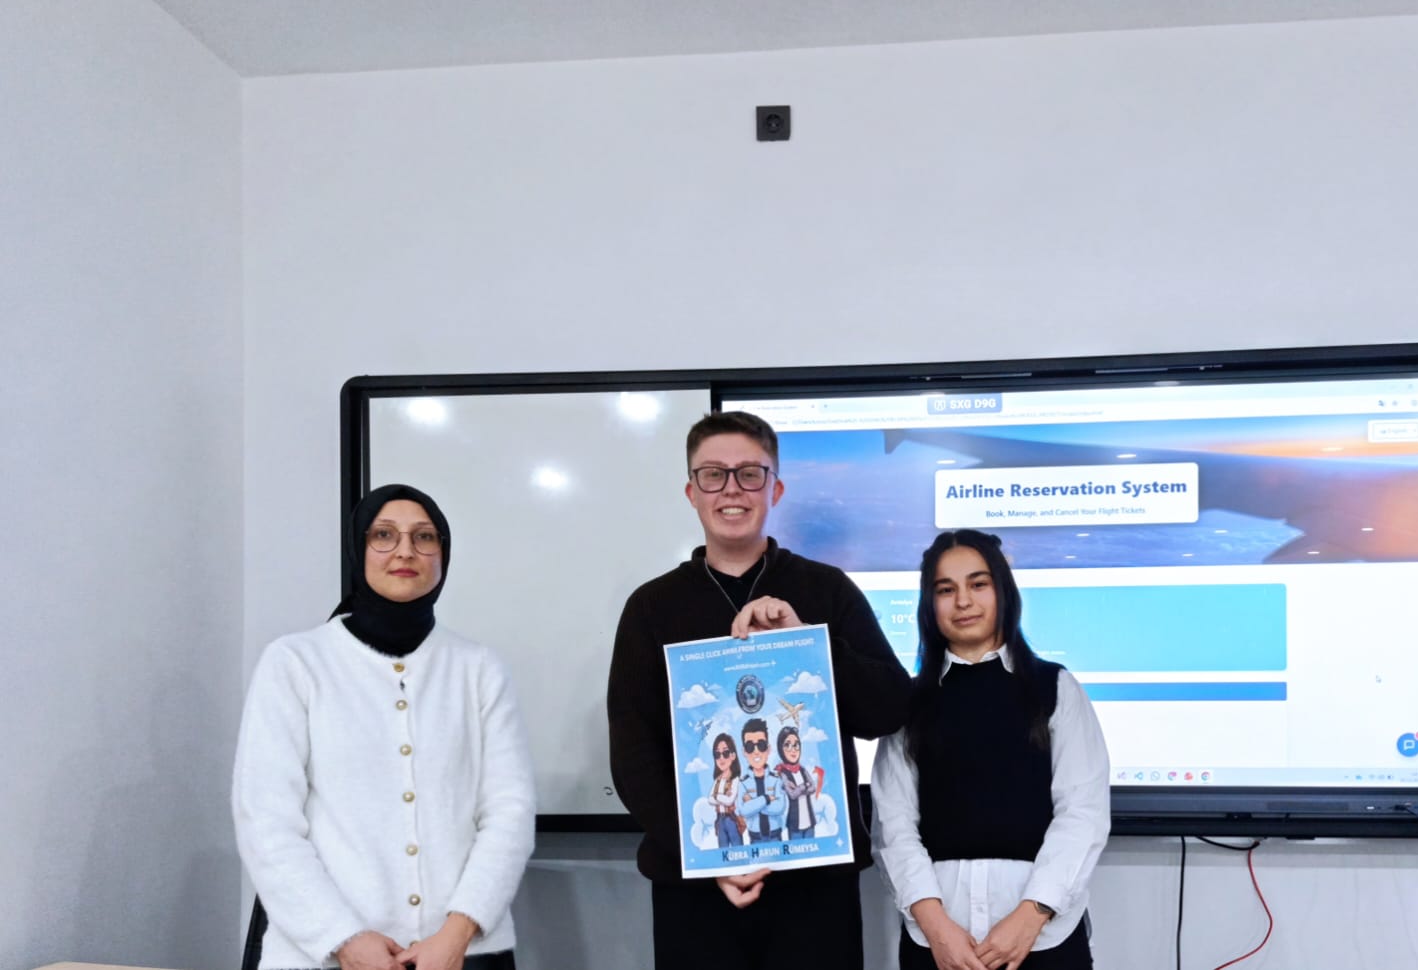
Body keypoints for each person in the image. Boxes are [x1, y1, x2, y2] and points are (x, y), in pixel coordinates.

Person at [607, 410, 912, 970]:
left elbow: (888, 708)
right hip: (696, 887)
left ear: (776, 488)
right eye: (713, 474)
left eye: (750, 474)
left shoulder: (826, 589)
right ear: (691, 491)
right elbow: (633, 755)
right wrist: (707, 856)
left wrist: (810, 642)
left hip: (814, 887)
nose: (732, 489)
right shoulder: (651, 607)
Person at [233, 484, 536, 970]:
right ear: (359, 548)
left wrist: (456, 934)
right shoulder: (294, 662)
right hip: (322, 955)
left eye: (424, 537)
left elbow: (509, 812)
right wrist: (345, 939)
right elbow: (267, 821)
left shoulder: (478, 667)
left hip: (461, 953)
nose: (405, 551)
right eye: (384, 535)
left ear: (443, 554)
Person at [873, 530, 1110, 970]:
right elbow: (893, 825)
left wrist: (1030, 916)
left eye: (978, 584)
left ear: (1003, 591)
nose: (963, 601)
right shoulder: (909, 701)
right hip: (938, 942)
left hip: (1043, 938)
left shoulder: (1056, 687)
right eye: (946, 589)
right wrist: (936, 927)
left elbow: (1083, 813)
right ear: (929, 604)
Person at [736, 717, 788, 843]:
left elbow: (780, 807)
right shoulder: (743, 783)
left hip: (775, 835)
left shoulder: (776, 779)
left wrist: (753, 804)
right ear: (744, 752)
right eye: (750, 746)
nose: (756, 752)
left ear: (768, 749)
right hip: (755, 837)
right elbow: (743, 810)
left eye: (761, 745)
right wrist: (766, 799)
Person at [773, 726, 821, 841]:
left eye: (796, 745)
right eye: (787, 745)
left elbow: (813, 787)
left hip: (809, 821)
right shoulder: (782, 772)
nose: (793, 749)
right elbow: (792, 794)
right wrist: (805, 786)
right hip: (794, 824)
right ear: (780, 748)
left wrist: (800, 788)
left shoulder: (802, 769)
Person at [709, 732, 746, 849]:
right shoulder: (717, 780)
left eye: (725, 753)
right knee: (722, 849)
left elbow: (730, 800)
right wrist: (722, 797)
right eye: (717, 754)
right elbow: (710, 799)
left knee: (737, 848)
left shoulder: (735, 779)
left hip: (732, 819)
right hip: (720, 820)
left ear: (733, 755)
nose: (721, 758)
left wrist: (717, 796)